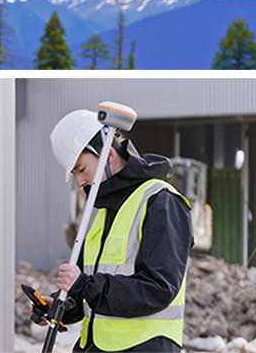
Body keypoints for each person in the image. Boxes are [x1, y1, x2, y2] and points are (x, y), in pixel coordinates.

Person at [34, 108, 193, 352]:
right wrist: (61, 304)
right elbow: (91, 290)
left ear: (107, 156)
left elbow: (158, 289)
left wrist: (85, 285)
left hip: (143, 347)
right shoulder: (101, 210)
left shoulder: (160, 202)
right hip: (96, 347)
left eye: (81, 169)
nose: (79, 182)